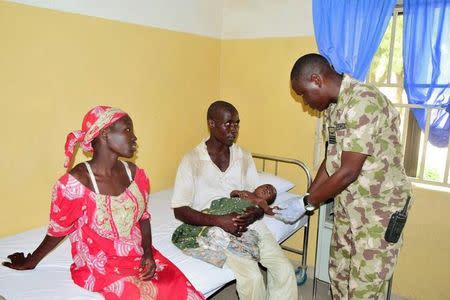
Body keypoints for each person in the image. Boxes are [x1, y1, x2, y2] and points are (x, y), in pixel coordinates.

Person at [2, 106, 204, 300]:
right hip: (100, 262)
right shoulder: (75, 184)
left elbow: (143, 217)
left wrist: (148, 254)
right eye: (127, 130)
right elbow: (58, 230)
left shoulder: (136, 175)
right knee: (139, 294)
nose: (134, 137)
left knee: (177, 288)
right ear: (105, 134)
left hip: (137, 252)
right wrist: (30, 262)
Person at [277, 53, 412, 299]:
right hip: (349, 207)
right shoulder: (334, 109)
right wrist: (306, 198)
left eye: (304, 94)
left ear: (317, 80)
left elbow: (349, 171)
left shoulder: (363, 101)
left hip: (378, 213)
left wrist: (307, 203)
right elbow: (331, 161)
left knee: (363, 289)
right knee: (339, 277)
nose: (305, 103)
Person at [171, 100, 298, 300]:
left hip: (249, 222)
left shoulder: (244, 156)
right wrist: (220, 221)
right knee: (253, 278)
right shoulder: (192, 160)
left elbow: (255, 197)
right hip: (216, 227)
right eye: (228, 124)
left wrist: (254, 213)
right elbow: (179, 209)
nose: (234, 129)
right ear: (211, 124)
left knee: (284, 269)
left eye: (237, 124)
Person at [171, 184, 277, 267]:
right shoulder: (246, 192)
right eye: (266, 187)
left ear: (267, 200)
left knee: (228, 225)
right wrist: (237, 193)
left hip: (236, 210)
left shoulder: (260, 201)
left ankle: (213, 243)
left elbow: (265, 208)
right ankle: (210, 236)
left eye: (269, 192)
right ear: (258, 187)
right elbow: (232, 194)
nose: (266, 190)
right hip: (225, 206)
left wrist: (270, 210)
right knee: (214, 216)